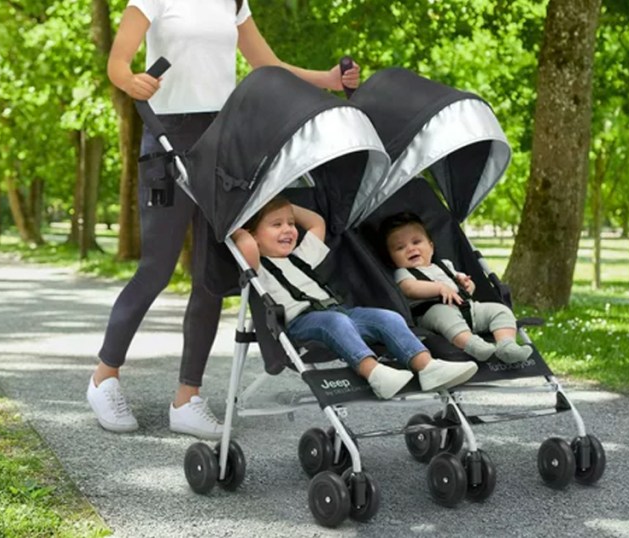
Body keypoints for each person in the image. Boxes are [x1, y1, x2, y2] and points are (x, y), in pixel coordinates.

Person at [88, 0, 362, 438]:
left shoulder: (233, 1)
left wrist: (327, 81)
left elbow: (267, 66)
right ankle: (104, 377)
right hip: (167, 138)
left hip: (224, 143)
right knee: (156, 270)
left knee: (211, 274)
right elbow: (118, 62)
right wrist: (130, 80)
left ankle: (187, 398)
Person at [231, 197, 479, 399]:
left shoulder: (301, 256)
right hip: (301, 323)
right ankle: (374, 373)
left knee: (387, 318)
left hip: (340, 313)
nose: (288, 229)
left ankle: (427, 366)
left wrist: (283, 202)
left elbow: (317, 223)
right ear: (253, 235)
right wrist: (244, 219)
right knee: (335, 322)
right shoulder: (257, 267)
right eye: (277, 225)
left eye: (291, 223)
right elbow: (245, 245)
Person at [380, 212, 534, 364]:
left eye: (416, 242)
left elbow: (462, 286)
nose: (410, 249)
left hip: (467, 308)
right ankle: (474, 346)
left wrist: (467, 285)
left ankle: (507, 345)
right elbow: (410, 288)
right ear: (392, 259)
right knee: (444, 315)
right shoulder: (402, 273)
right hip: (432, 313)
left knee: (500, 310)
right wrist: (439, 288)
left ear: (431, 247)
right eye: (400, 248)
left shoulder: (445, 265)